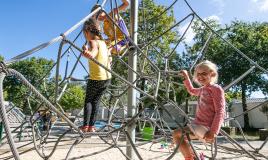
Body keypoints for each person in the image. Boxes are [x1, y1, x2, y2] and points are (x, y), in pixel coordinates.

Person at [172, 60, 225, 160]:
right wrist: (186, 77)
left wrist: (213, 132)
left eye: (204, 74)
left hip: (206, 126)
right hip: (198, 124)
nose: (200, 77)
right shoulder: (203, 89)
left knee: (177, 134)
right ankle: (193, 157)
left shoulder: (216, 88)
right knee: (179, 136)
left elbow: (220, 111)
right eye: (198, 74)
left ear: (212, 74)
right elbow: (192, 90)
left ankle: (190, 158)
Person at [80, 18, 112, 132]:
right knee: (96, 101)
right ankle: (92, 126)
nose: (85, 37)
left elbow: (93, 53)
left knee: (88, 101)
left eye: (85, 34)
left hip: (96, 78)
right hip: (107, 78)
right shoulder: (104, 43)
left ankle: (85, 126)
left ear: (87, 31)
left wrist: (87, 53)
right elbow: (108, 57)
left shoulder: (92, 42)